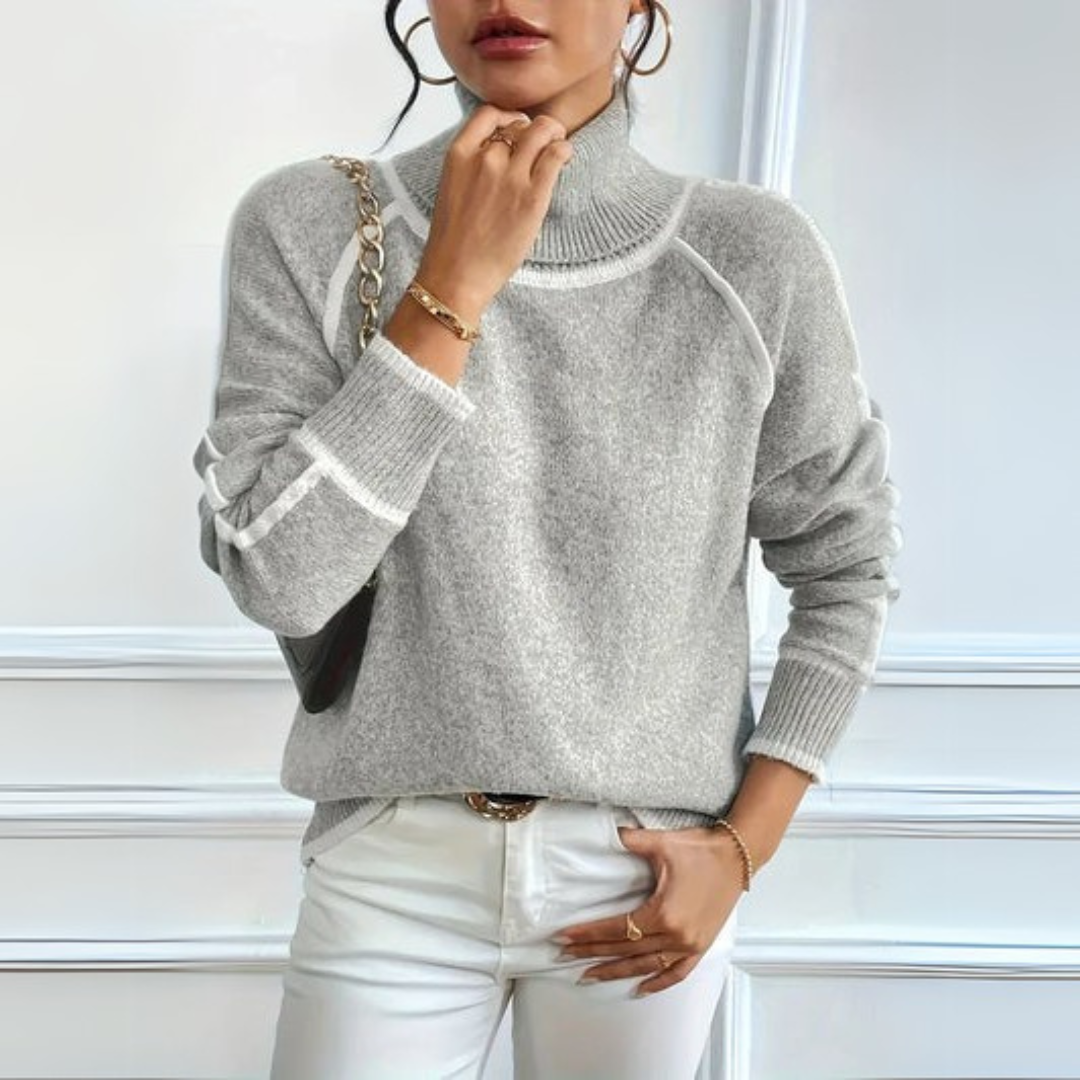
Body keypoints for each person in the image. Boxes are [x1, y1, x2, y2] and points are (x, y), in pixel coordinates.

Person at [191, 1, 902, 1076]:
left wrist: (742, 847)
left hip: (646, 874)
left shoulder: (752, 255)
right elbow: (281, 579)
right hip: (391, 870)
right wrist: (451, 288)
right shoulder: (309, 227)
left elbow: (847, 568)